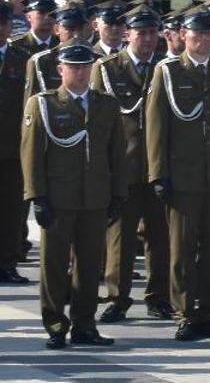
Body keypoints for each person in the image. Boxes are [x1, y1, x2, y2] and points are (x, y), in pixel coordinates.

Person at [146, 5, 210, 341]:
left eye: (209, 34)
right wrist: (158, 174)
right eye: (197, 34)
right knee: (182, 250)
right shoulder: (168, 72)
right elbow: (156, 127)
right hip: (184, 177)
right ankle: (185, 312)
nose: (203, 40)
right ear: (183, 36)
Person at [24, 43, 130, 349]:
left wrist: (119, 193)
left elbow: (117, 155)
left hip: (95, 198)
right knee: (54, 265)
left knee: (89, 265)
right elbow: (31, 155)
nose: (81, 72)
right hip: (58, 198)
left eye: (85, 67)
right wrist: (37, 197)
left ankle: (85, 324)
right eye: (74, 67)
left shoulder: (106, 105)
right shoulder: (44, 104)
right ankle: (56, 324)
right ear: (61, 70)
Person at [91, 6, 171, 320]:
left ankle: (158, 296)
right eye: (142, 33)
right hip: (122, 168)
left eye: (153, 33)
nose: (148, 39)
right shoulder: (108, 68)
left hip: (158, 165)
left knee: (159, 237)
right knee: (120, 239)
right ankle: (117, 298)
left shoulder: (166, 67)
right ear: (128, 34)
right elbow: (98, 123)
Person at [0, 3, 35, 285]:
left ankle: (7, 262)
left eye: (3, 22)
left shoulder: (22, 58)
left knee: (12, 209)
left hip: (13, 145)